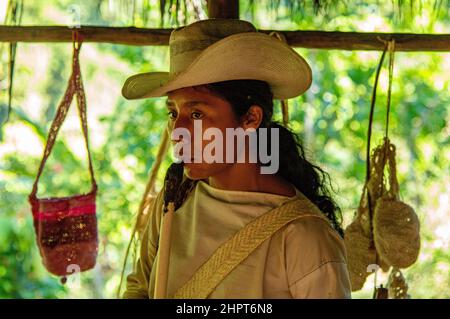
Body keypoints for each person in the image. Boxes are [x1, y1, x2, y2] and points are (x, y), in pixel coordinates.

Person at [121, 18, 351, 299]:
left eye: (196, 114)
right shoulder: (174, 201)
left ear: (250, 118)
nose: (177, 131)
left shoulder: (305, 239)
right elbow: (140, 288)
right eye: (173, 113)